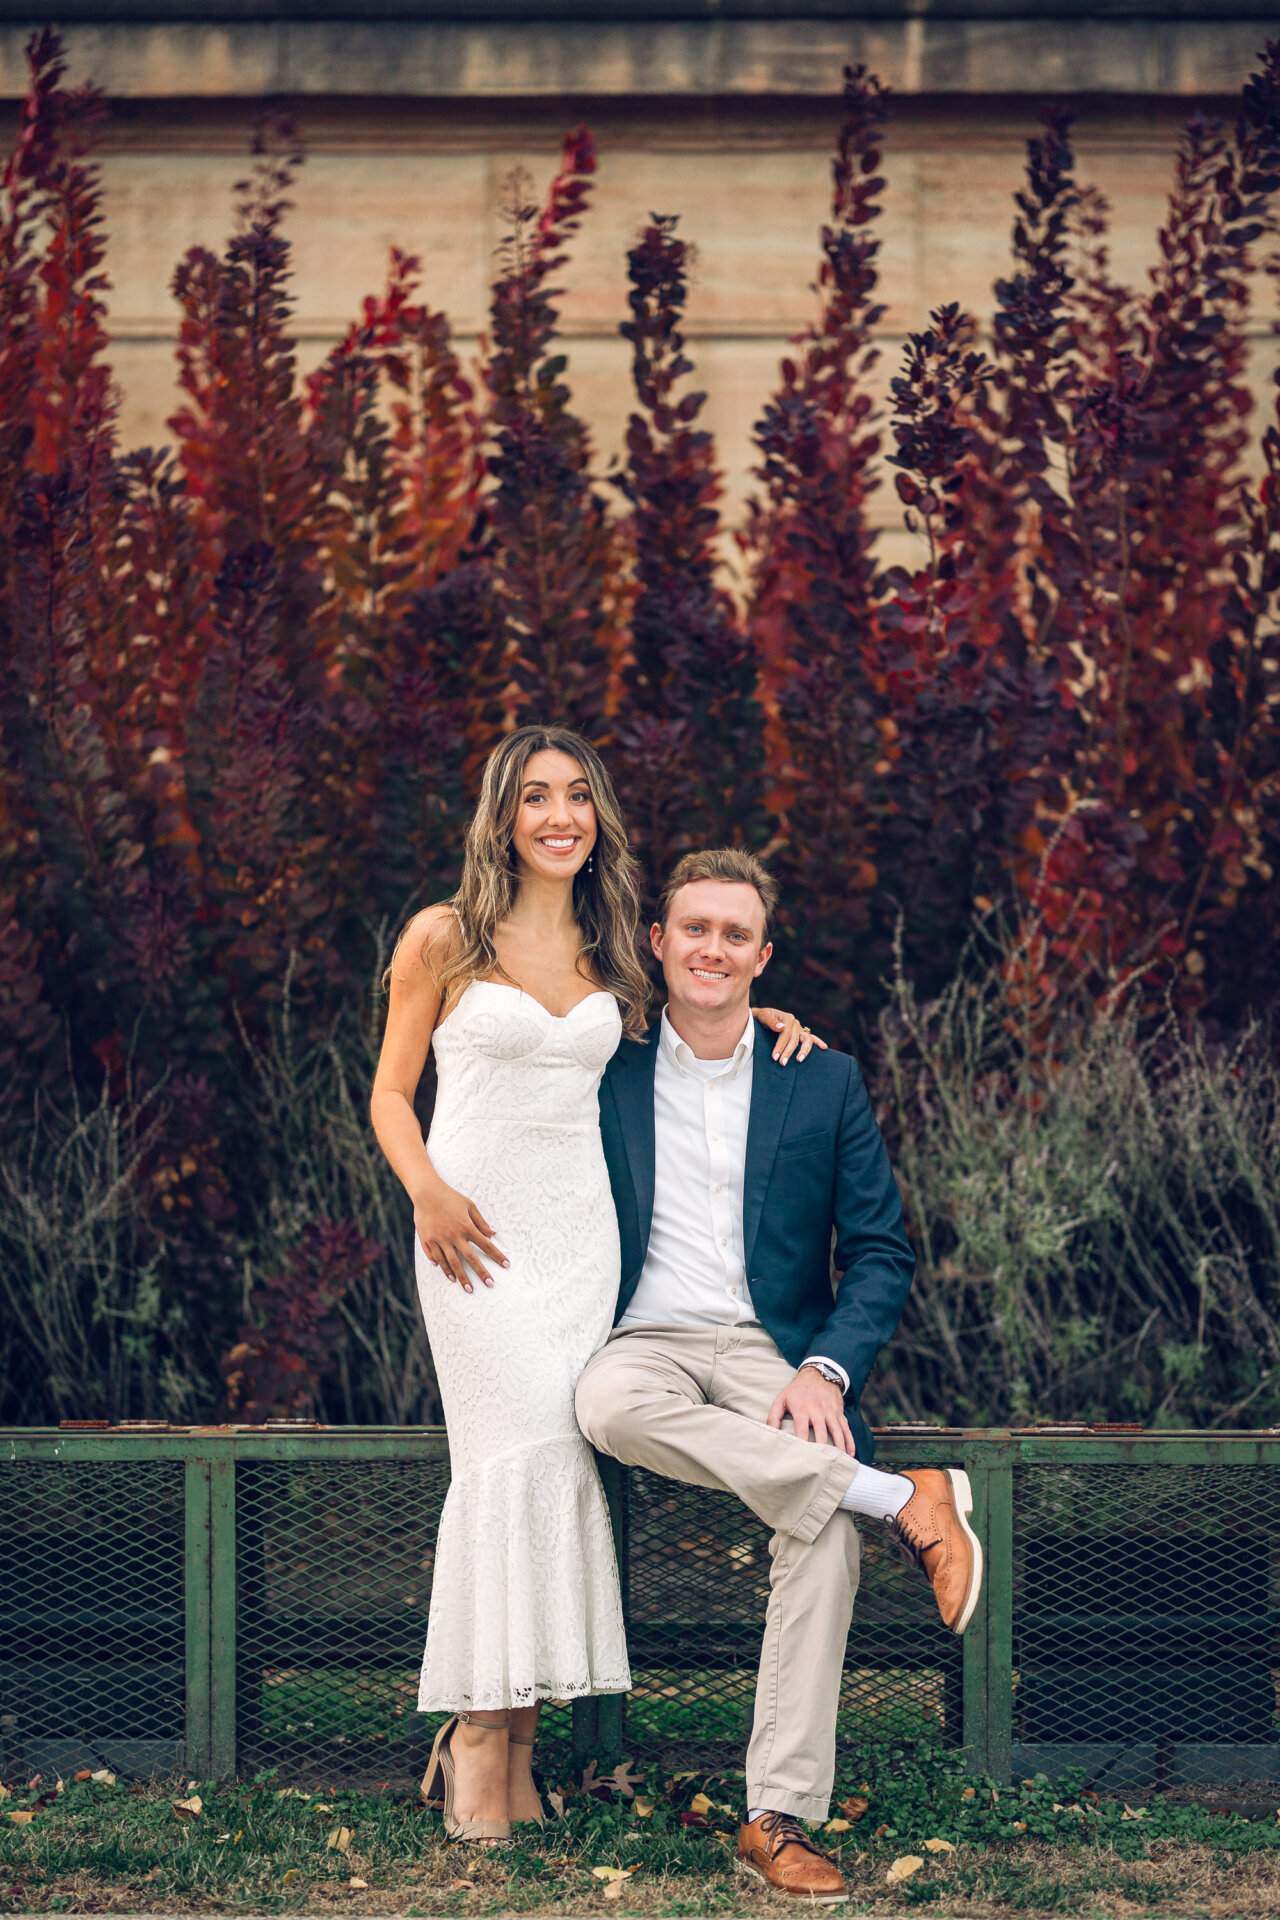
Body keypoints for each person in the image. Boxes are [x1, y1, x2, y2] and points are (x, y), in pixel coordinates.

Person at [370, 727, 822, 1845]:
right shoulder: (442, 936)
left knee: (554, 1462)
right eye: (535, 798)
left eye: (577, 796)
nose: (558, 815)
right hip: (470, 1245)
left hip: (581, 1251)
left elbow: (687, 1029)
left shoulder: (612, 947)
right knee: (503, 1469)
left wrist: (764, 1023)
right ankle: (477, 1740)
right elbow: (388, 1091)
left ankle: (514, 1745)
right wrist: (425, 1189)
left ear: (597, 815)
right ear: (503, 815)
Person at [575, 847, 982, 1904]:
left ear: (763, 954)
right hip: (644, 1339)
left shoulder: (820, 1078)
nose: (712, 948)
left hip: (769, 1349)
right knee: (603, 1403)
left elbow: (880, 1250)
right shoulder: (600, 1066)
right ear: (658, 944)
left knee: (821, 1528)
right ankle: (903, 1502)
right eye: (693, 928)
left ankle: (775, 1816)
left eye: (734, 933)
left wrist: (822, 1368)